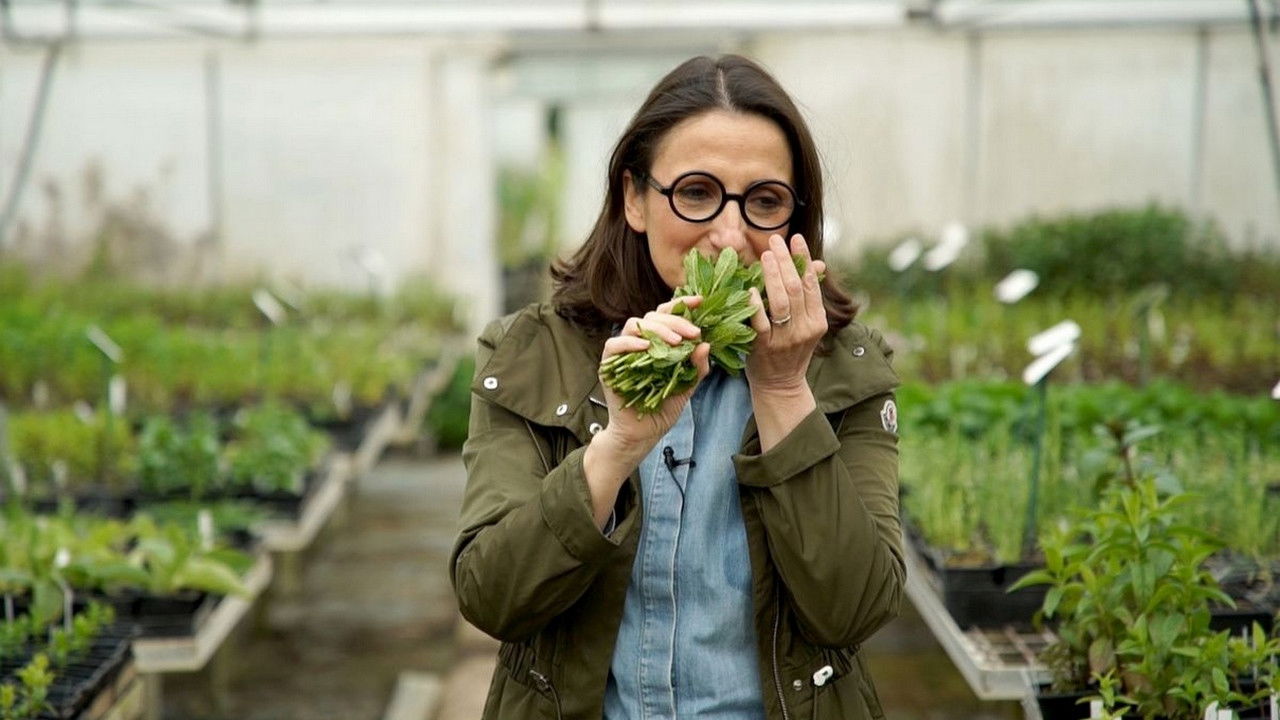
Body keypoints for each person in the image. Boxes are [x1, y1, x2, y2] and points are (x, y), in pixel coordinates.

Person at [451, 54, 903, 720]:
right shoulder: (530, 352)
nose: (730, 234)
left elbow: (855, 608)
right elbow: (493, 597)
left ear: (798, 218)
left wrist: (782, 392)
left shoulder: (843, 367)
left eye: (765, 201)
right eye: (696, 192)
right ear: (635, 198)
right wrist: (616, 448)